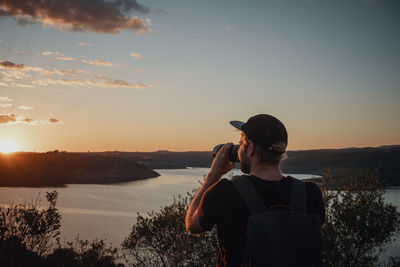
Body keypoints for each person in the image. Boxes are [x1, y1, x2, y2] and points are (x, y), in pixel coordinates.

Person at [185, 114, 325, 266]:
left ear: (250, 147)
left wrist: (213, 175)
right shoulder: (310, 193)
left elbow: (192, 225)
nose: (238, 150)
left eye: (240, 143)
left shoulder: (225, 192)